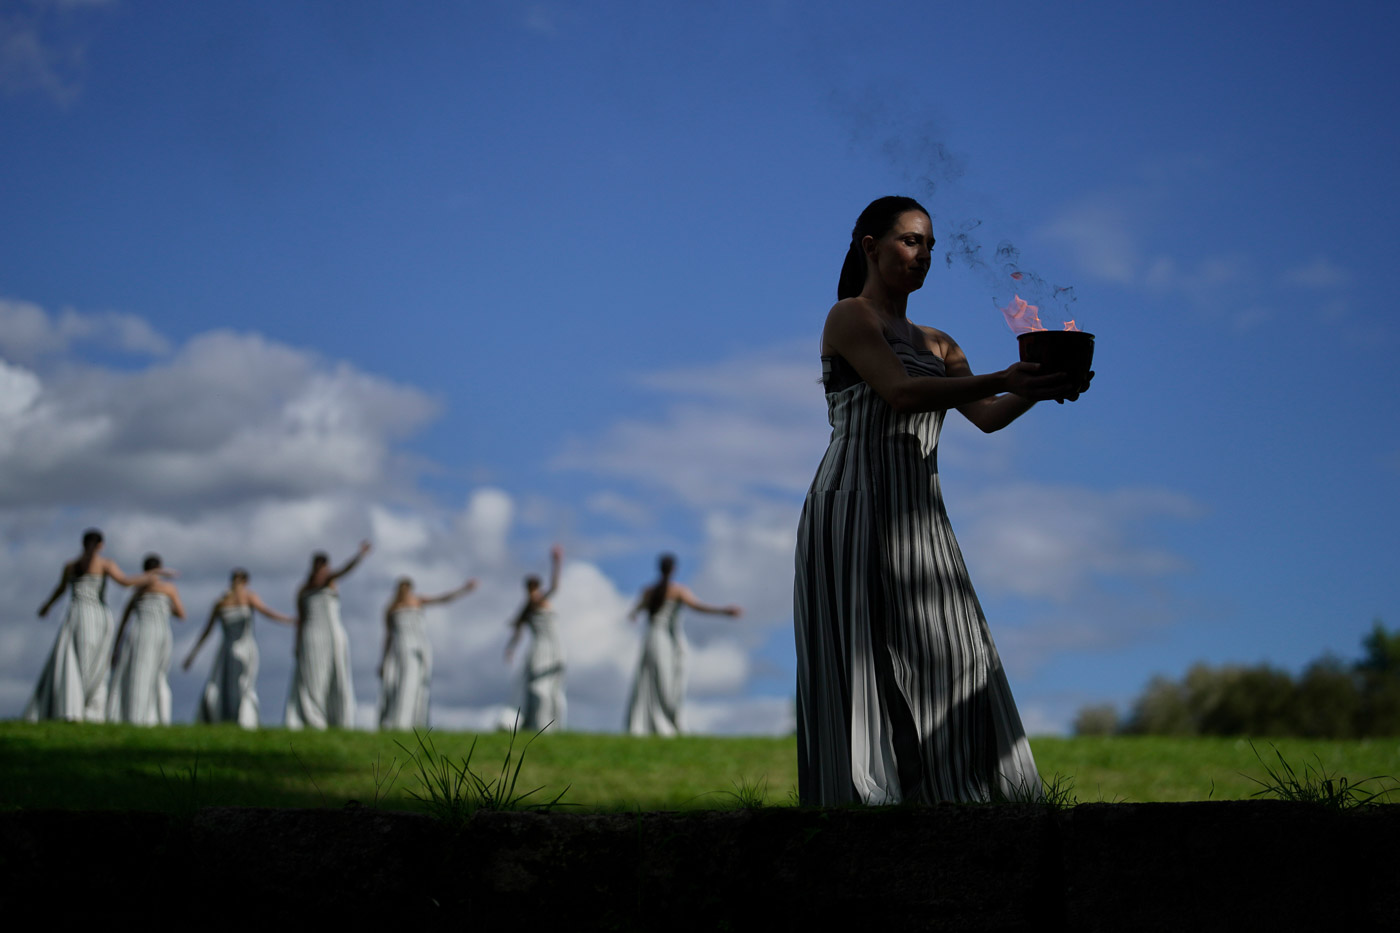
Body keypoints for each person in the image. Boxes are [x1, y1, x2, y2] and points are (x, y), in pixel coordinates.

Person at [792, 196, 1091, 806]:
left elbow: (987, 416)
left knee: (959, 652)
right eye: (910, 240)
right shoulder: (849, 316)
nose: (923, 254)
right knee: (867, 657)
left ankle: (964, 798)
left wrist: (1038, 387)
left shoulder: (941, 343)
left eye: (930, 245)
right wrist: (1004, 377)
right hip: (852, 504)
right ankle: (870, 804)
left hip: (922, 516)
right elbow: (901, 393)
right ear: (871, 246)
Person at [25, 529, 168, 722]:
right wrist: (154, 575)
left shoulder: (71, 565)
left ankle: (71, 706)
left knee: (72, 660)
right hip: (96, 616)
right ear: (101, 545)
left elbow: (60, 590)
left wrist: (47, 606)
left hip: (76, 615)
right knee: (94, 664)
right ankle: (84, 709)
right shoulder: (104, 564)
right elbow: (125, 582)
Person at [624, 553, 742, 736]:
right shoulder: (675, 591)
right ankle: (665, 722)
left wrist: (633, 615)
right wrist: (723, 611)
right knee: (665, 680)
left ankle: (657, 721)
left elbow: (635, 611)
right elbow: (698, 607)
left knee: (658, 678)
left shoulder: (650, 591)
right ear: (673, 569)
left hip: (654, 638)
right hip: (664, 639)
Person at [183, 568, 294, 728]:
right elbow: (207, 630)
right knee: (221, 685)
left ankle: (244, 719)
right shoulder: (221, 602)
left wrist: (288, 620)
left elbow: (267, 612)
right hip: (226, 650)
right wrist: (192, 655)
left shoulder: (248, 598)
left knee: (243, 685)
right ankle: (222, 718)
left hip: (245, 648)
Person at [285, 540, 371, 730]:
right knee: (312, 677)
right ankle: (313, 718)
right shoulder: (304, 589)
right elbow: (301, 619)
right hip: (311, 636)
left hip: (333, 634)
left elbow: (346, 569)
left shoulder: (331, 581)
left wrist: (360, 555)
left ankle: (337, 719)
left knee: (336, 674)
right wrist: (297, 644)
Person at [377, 575, 478, 731]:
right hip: (400, 650)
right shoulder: (391, 609)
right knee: (398, 684)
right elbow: (388, 636)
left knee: (418, 685)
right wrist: (384, 660)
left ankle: (413, 723)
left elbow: (443, 599)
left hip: (419, 647)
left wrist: (464, 590)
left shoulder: (418, 601)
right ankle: (397, 722)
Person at [107, 554, 187, 725]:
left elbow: (123, 622)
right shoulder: (166, 589)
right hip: (155, 634)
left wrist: (116, 647)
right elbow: (181, 614)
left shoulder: (138, 592)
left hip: (145, 634)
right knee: (151, 675)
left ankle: (143, 715)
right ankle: (146, 717)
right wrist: (165, 606)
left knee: (145, 675)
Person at [506, 545, 565, 732]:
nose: (533, 592)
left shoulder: (537, 602)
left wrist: (556, 563)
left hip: (555, 648)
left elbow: (554, 587)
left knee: (553, 687)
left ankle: (551, 725)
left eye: (535, 588)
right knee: (538, 687)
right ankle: (537, 724)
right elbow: (518, 630)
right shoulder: (529, 606)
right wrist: (511, 648)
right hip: (540, 649)